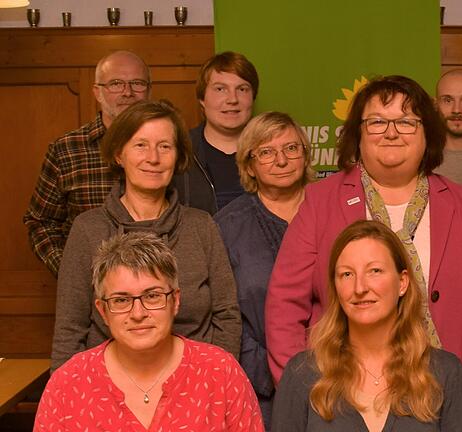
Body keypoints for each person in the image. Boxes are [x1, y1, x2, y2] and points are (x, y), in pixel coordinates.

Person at [266, 75, 462, 431]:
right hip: (342, 394)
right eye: (378, 122)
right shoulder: (321, 202)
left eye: (406, 122)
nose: (392, 132)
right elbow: (283, 305)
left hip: (436, 397)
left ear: (427, 132)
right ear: (358, 133)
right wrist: (306, 388)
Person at [51, 100, 241, 370]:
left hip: (195, 377)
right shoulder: (87, 229)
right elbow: (70, 329)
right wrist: (68, 396)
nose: (153, 157)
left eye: (165, 146)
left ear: (177, 157)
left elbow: (227, 315)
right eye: (141, 145)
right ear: (119, 154)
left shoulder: (201, 226)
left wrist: (215, 376)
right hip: (108, 385)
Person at [35, 231, 264, 431]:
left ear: (175, 301)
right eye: (121, 300)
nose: (138, 313)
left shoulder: (220, 372)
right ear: (103, 310)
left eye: (152, 296)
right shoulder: (68, 383)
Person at [272, 220, 462, 431]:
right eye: (347, 274)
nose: (360, 287)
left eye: (375, 271)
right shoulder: (302, 373)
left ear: (402, 282)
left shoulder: (445, 373)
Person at [215, 111, 315, 429]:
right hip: (261, 388)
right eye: (267, 152)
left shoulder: (332, 209)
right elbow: (222, 312)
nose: (281, 160)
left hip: (341, 379)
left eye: (291, 148)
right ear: (249, 164)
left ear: (305, 154)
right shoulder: (227, 226)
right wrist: (268, 372)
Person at [24, 50, 151, 276]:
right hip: (89, 294)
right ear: (97, 92)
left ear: (149, 90)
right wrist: (71, 271)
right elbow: (40, 222)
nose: (127, 92)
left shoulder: (169, 148)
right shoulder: (66, 150)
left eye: (137, 83)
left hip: (159, 290)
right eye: (115, 84)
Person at [174, 51, 259, 214]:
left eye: (242, 89)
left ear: (253, 97)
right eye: (220, 89)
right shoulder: (179, 152)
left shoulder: (272, 152)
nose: (232, 99)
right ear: (202, 99)